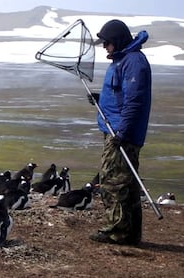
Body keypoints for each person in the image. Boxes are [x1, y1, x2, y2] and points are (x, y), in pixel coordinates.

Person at [87, 19, 152, 245]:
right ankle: (130, 233)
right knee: (128, 183)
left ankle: (118, 232)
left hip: (122, 133)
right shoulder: (123, 60)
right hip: (118, 129)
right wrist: (100, 100)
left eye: (107, 42)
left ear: (117, 40)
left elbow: (134, 101)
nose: (105, 47)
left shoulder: (133, 62)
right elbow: (120, 95)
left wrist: (122, 133)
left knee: (113, 181)